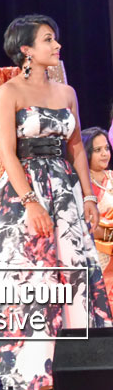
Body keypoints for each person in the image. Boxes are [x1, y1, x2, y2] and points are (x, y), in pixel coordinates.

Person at [0, 15, 112, 390]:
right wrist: (31, 202)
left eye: (56, 39)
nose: (57, 46)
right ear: (26, 50)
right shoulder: (8, 92)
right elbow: (7, 152)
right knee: (29, 289)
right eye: (48, 40)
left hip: (65, 193)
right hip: (24, 196)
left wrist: (88, 195)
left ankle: (69, 389)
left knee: (72, 288)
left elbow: (77, 148)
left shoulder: (66, 92)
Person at [82, 127, 113, 307]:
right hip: (95, 257)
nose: (104, 154)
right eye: (97, 150)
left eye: (107, 148)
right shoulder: (81, 186)